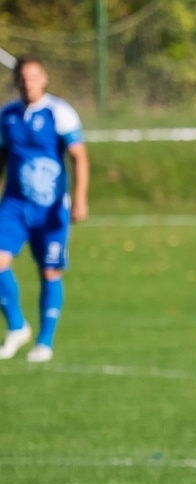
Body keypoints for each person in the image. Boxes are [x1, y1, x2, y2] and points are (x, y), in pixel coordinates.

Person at [0, 57, 89, 364]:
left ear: (44, 79)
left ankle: (44, 341)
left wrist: (79, 199)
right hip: (14, 204)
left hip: (50, 208)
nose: (28, 83)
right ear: (16, 81)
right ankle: (17, 326)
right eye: (23, 78)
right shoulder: (7, 115)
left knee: (49, 270)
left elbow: (79, 157)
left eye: (34, 77)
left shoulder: (59, 112)